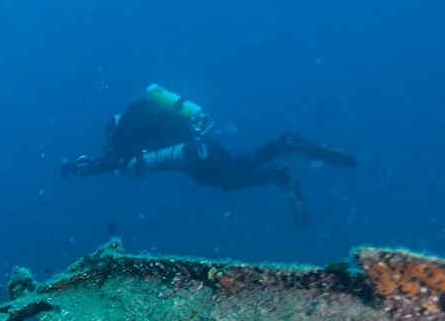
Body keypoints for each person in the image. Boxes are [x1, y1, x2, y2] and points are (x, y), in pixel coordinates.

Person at [60, 85, 356, 228]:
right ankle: (285, 150)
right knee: (237, 170)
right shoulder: (146, 122)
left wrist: (76, 169)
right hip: (205, 147)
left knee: (230, 179)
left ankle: (281, 166)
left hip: (195, 158)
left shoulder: (126, 135)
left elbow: (110, 162)